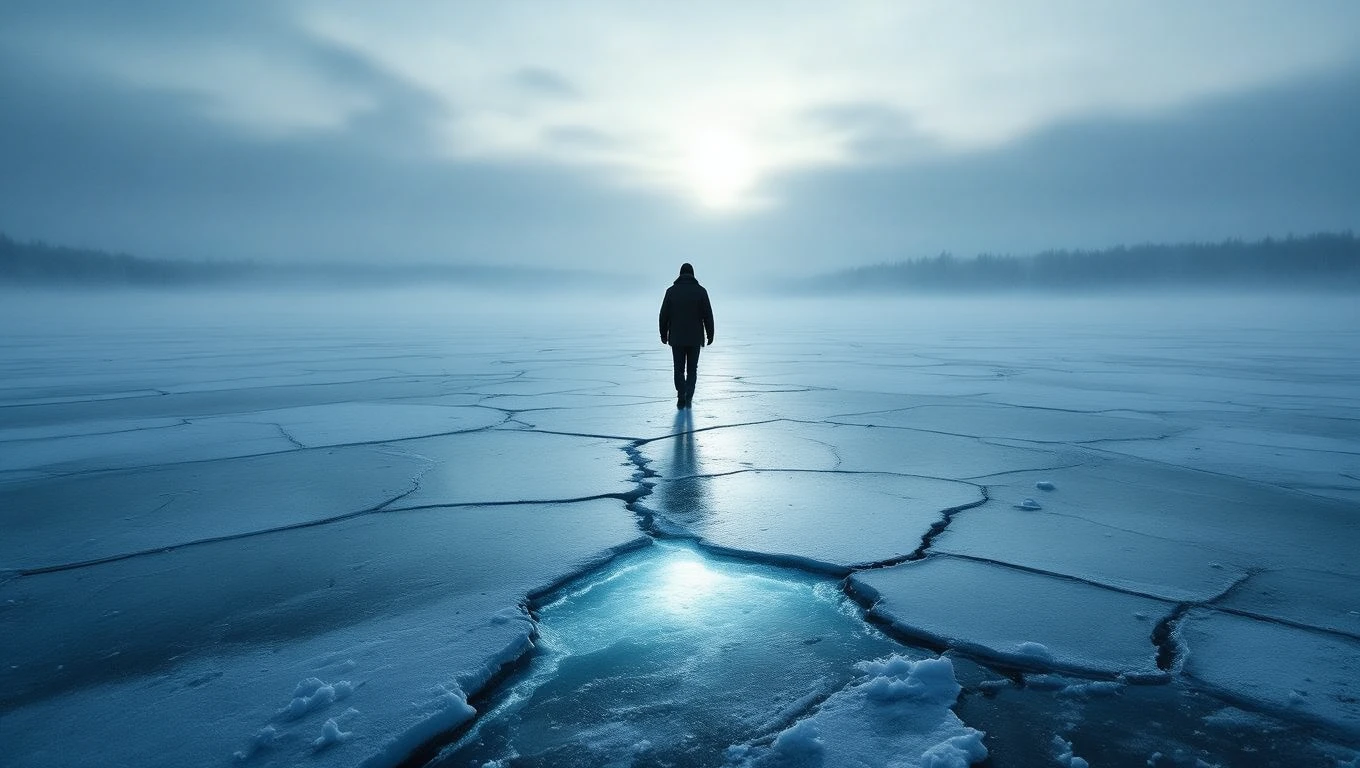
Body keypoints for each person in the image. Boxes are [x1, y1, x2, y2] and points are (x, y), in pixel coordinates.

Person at [658, 262, 715, 409]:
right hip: (695, 338)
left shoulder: (671, 291)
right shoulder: (701, 291)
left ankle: (681, 395)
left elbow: (663, 315)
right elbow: (708, 315)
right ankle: (688, 396)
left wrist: (663, 334)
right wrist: (710, 334)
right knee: (691, 369)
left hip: (676, 338)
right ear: (693, 274)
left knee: (678, 368)